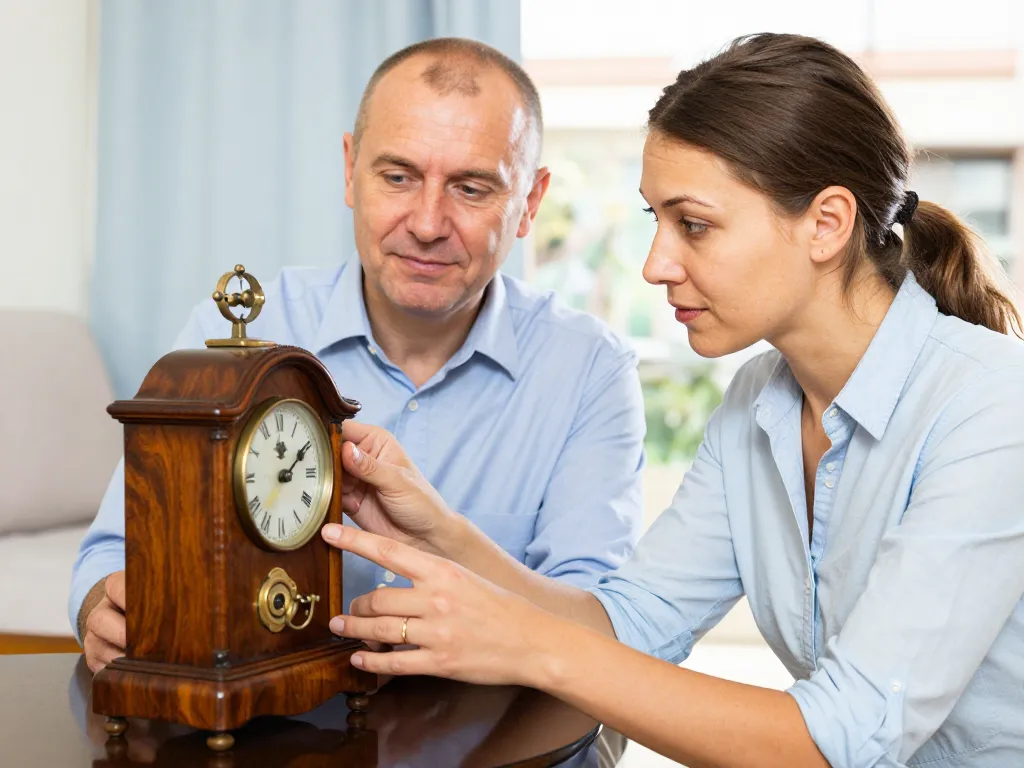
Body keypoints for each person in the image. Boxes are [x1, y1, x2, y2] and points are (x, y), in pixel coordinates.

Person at [315, 33, 1024, 768]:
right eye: (656, 220)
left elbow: (838, 738)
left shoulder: (992, 405)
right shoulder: (757, 405)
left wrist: (526, 644)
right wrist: (439, 535)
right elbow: (633, 624)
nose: (655, 264)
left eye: (694, 225)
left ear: (826, 224)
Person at [70, 38, 647, 681]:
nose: (427, 223)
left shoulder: (590, 371)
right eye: (398, 177)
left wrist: (453, 544)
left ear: (530, 203)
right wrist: (105, 610)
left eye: (471, 188)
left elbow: (599, 626)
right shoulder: (229, 338)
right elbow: (113, 554)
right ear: (350, 170)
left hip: (499, 721)